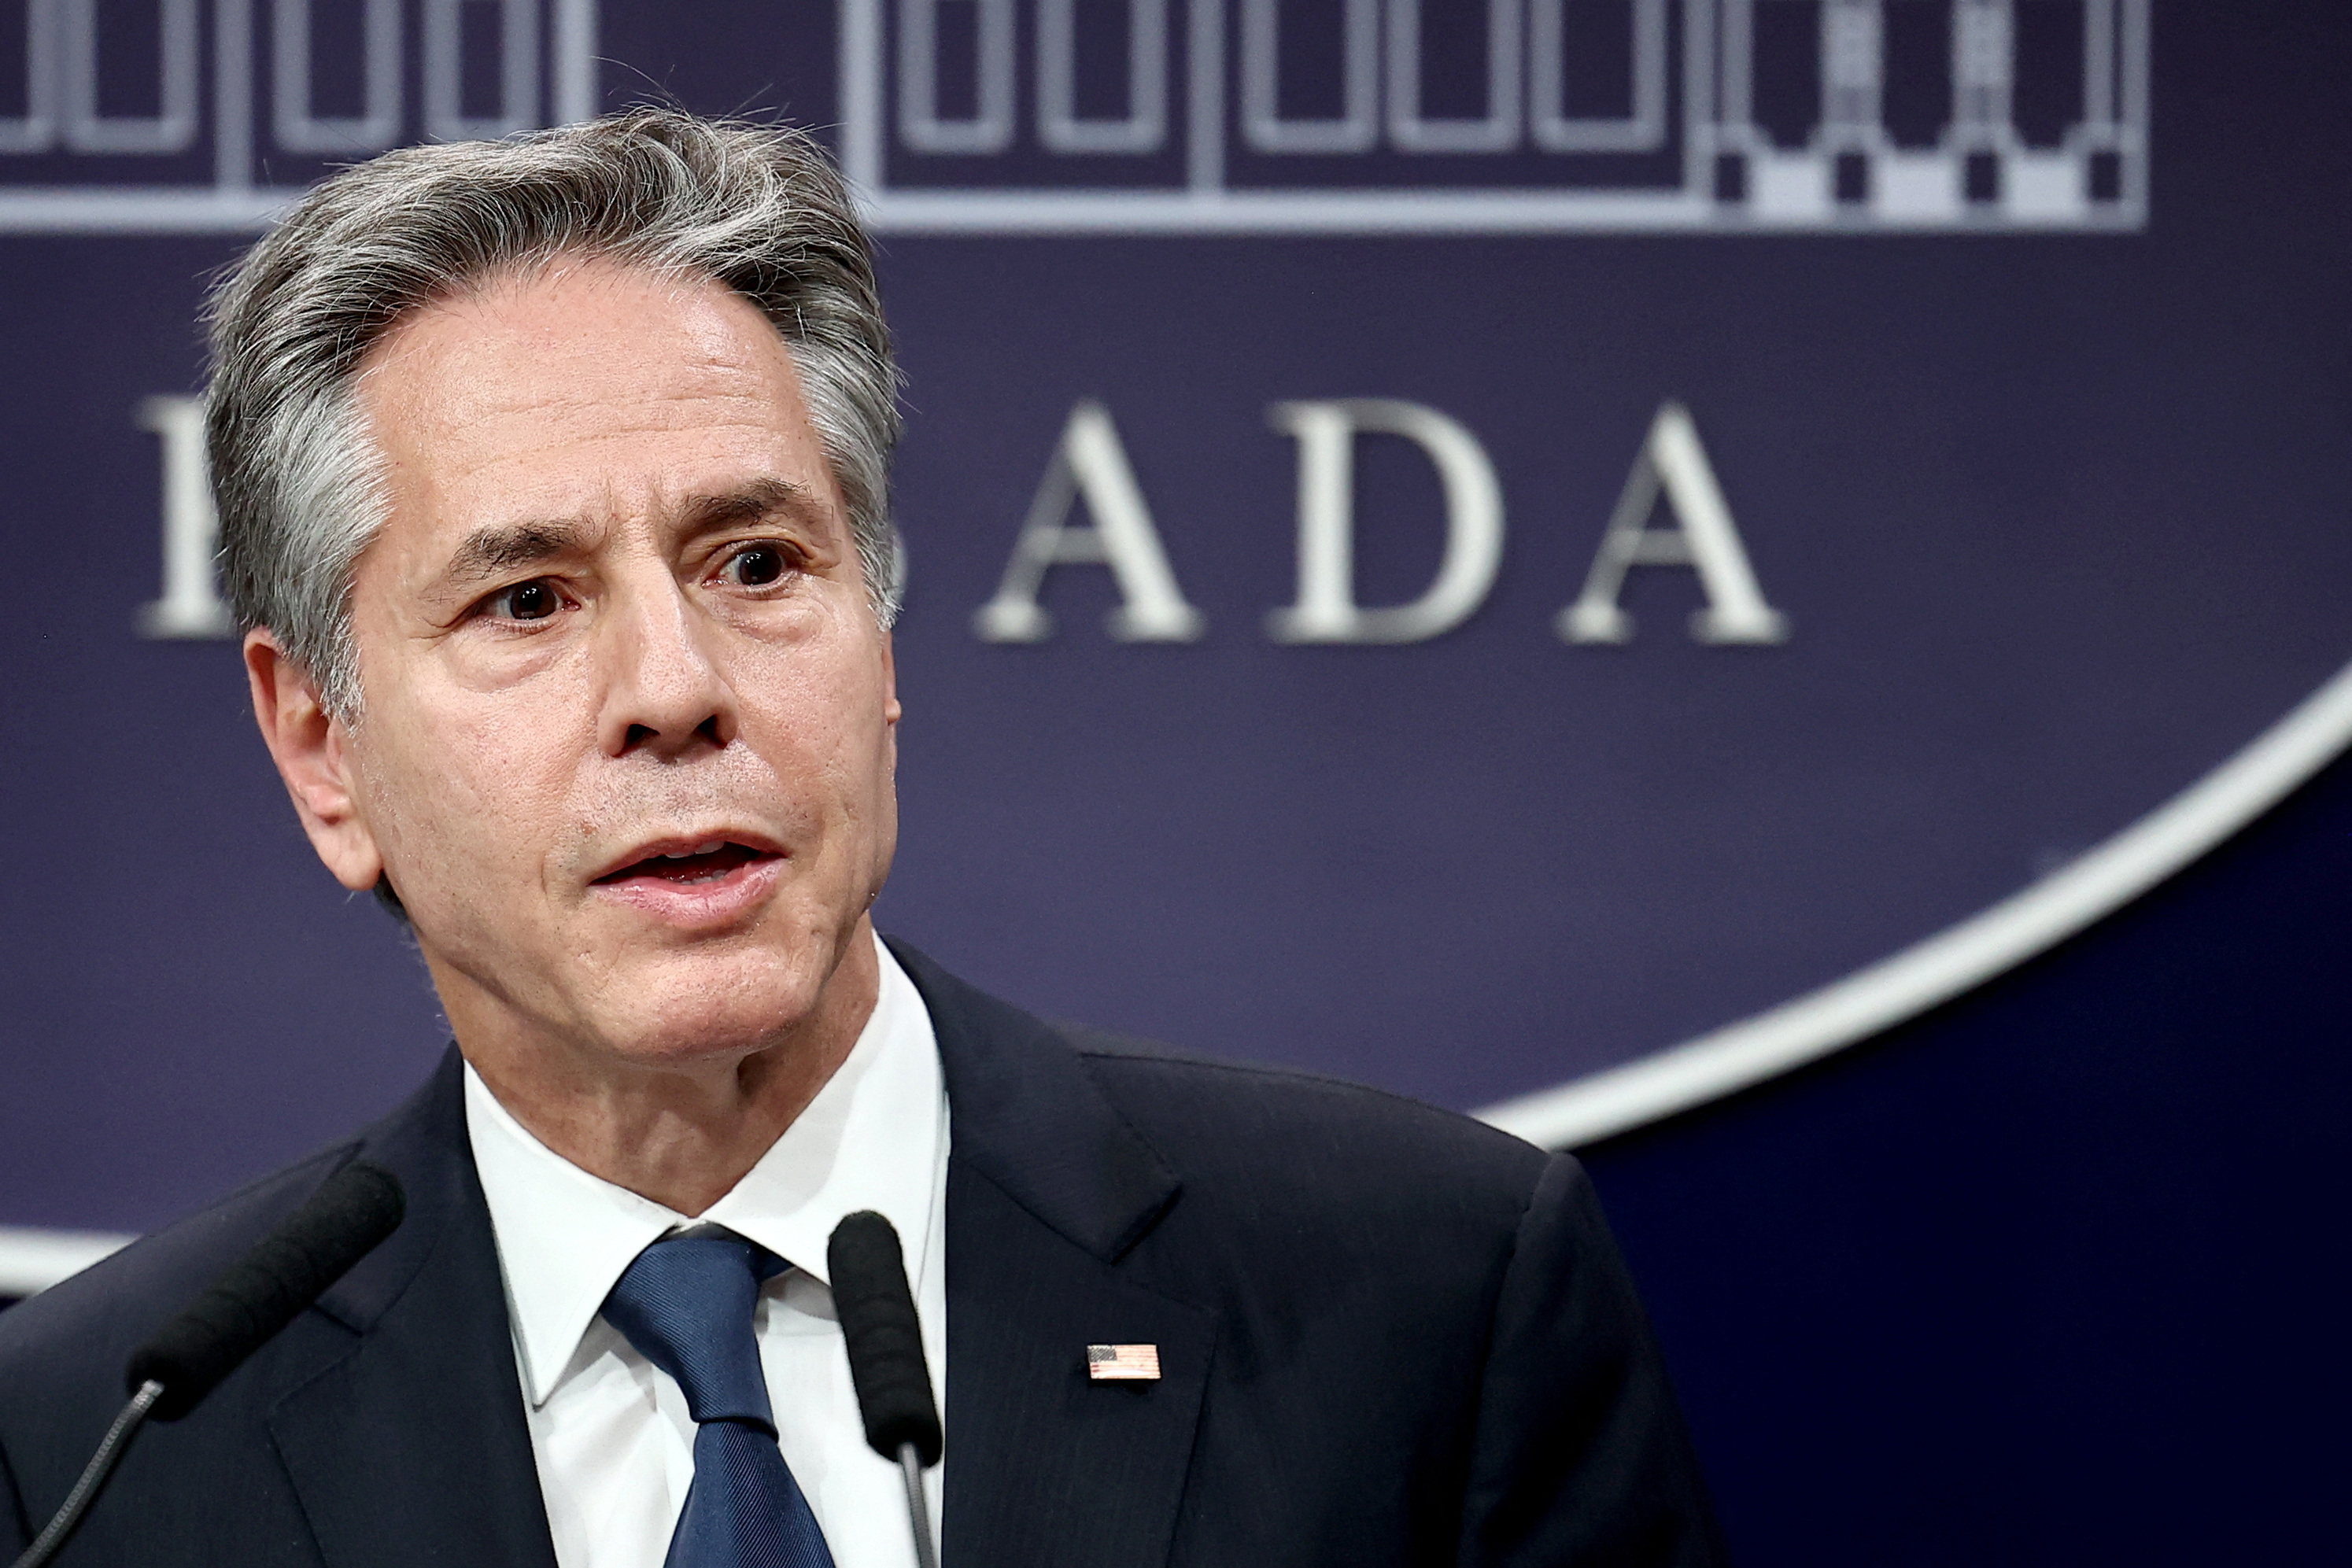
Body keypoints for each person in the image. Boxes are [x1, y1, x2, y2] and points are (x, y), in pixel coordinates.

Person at [0, 110, 1720, 1568]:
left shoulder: (1420, 1300)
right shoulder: (103, 1441)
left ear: (881, 646)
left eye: (758, 564)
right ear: (321, 745)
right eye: (528, 599)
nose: (674, 691)